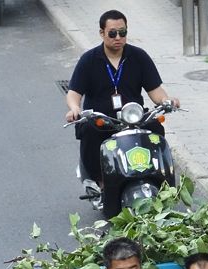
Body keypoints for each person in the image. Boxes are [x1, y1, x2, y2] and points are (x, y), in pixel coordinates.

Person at [64, 9, 181, 186]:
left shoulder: (139, 56)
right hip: (102, 120)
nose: (118, 37)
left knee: (156, 128)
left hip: (134, 119)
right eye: (112, 33)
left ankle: (158, 175)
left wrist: (166, 101)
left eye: (123, 32)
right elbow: (74, 93)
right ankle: (98, 180)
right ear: (102, 33)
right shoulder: (89, 60)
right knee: (88, 130)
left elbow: (155, 90)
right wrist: (74, 108)